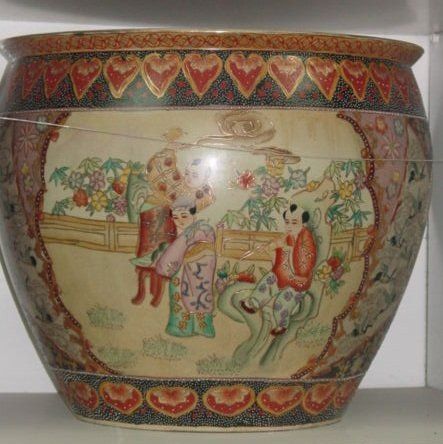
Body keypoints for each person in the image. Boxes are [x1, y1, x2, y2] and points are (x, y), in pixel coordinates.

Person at [129, 144, 214, 307]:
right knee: (152, 256)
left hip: (180, 242)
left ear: (206, 177)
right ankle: (144, 289)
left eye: (194, 175)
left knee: (165, 261)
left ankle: (157, 293)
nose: (188, 178)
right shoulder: (178, 187)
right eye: (187, 173)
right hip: (161, 227)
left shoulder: (203, 196)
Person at [240, 203, 317, 336]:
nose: (289, 226)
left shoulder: (306, 240)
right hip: (283, 273)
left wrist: (287, 249)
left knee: (282, 303)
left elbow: (305, 263)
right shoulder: (288, 236)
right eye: (287, 222)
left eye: (294, 222)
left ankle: (282, 325)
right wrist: (272, 247)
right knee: (268, 281)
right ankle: (253, 303)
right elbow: (277, 249)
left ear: (303, 223)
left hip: (298, 281)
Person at [154, 196, 217, 338]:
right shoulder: (186, 233)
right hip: (184, 271)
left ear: (194, 215)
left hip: (197, 271)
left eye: (184, 216)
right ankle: (183, 327)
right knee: (180, 300)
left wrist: (165, 264)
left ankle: (199, 328)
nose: (179, 221)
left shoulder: (199, 230)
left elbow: (170, 258)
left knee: (196, 296)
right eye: (176, 217)